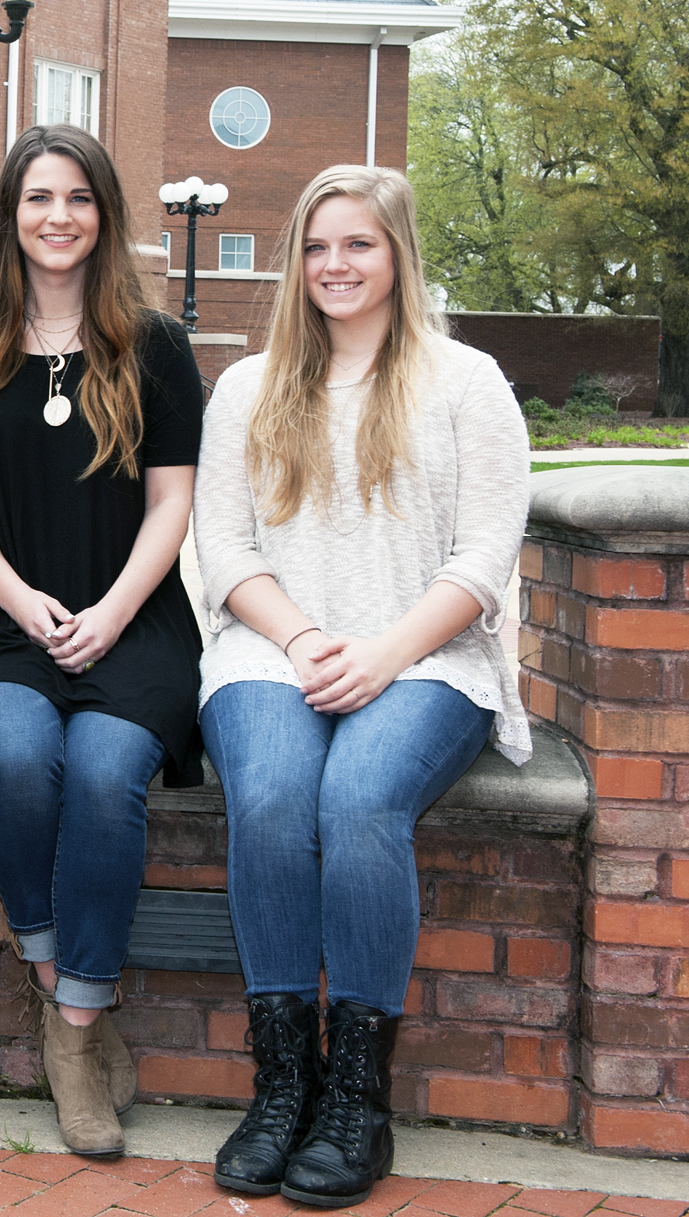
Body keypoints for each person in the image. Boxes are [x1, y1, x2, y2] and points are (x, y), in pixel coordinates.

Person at [195, 165, 530, 1206]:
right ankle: (281, 1080)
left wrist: (381, 653)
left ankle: (355, 1097)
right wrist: (300, 638)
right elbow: (224, 545)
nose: (333, 265)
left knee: (356, 800)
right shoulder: (246, 387)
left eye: (357, 245)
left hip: (426, 657)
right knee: (269, 797)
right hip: (270, 650)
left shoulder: (465, 381)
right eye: (315, 246)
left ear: (396, 256)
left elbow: (481, 559)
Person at [0, 124, 204, 1158]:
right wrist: (18, 593)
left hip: (132, 621)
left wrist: (110, 609)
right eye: (37, 198)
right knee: (11, 754)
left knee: (102, 771)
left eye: (77, 198)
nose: (57, 216)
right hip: (6, 621)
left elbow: (172, 502)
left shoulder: (155, 345)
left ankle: (77, 1031)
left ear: (104, 213)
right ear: (7, 219)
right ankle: (58, 978)